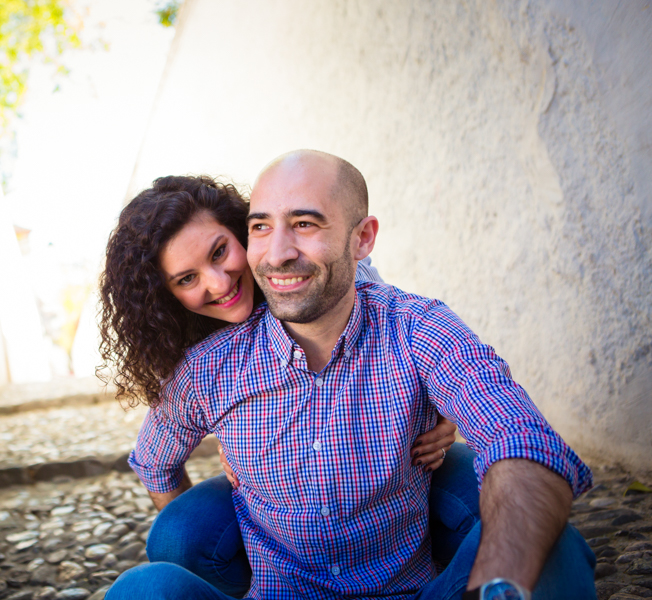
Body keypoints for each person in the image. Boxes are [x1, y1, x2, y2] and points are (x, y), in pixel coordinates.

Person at [106, 150, 596, 600]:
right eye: (263, 227)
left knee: (551, 545)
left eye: (304, 223)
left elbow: (520, 437)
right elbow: (155, 457)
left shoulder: (411, 327)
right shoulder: (206, 364)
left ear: (362, 238)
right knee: (147, 583)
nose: (276, 254)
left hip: (408, 582)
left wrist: (492, 585)